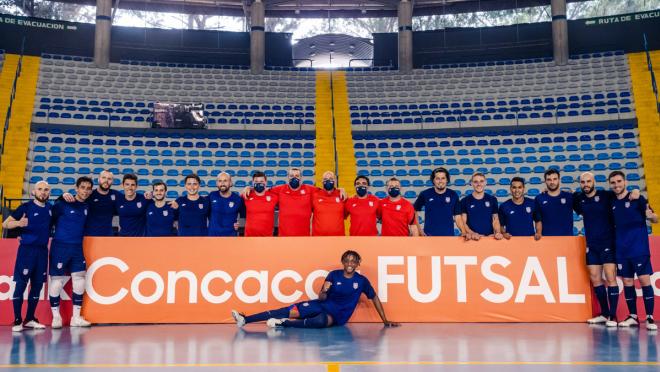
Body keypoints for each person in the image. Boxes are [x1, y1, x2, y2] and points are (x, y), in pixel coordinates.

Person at [231, 250, 399, 328]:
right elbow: (322, 297)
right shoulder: (333, 275)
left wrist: (385, 319)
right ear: (343, 262)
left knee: (321, 322)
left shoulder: (361, 281)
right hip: (322, 305)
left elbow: (374, 297)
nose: (350, 263)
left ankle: (284, 324)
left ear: (357, 263)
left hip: (337, 315)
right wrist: (325, 290)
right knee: (287, 310)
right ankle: (245, 320)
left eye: (353, 261)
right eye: (347, 260)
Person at [608, 171, 658, 330]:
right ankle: (633, 316)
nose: (617, 185)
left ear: (625, 182)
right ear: (610, 184)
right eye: (613, 183)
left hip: (639, 248)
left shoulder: (637, 198)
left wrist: (650, 216)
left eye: (619, 181)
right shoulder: (612, 202)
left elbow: (655, 218)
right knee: (628, 282)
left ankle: (650, 318)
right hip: (621, 249)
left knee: (644, 281)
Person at [3, 181, 52, 332]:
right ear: (33, 192)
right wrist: (18, 223)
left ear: (49, 193)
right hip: (27, 251)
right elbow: (5, 224)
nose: (43, 192)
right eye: (40, 189)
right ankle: (17, 319)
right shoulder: (25, 208)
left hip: (42, 251)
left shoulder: (50, 209)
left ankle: (30, 318)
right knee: (21, 285)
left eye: (46, 190)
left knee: (37, 286)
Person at [49, 176, 93, 328]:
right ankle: (56, 318)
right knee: (56, 281)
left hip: (77, 248)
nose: (85, 191)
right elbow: (49, 218)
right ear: (76, 188)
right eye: (83, 188)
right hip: (60, 246)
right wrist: (60, 196)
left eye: (88, 189)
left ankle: (76, 318)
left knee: (80, 280)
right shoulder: (63, 204)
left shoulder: (87, 207)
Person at [63, 170, 118, 236]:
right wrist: (63, 195)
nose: (106, 180)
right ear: (98, 179)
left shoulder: (117, 195)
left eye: (109, 179)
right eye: (103, 177)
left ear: (112, 181)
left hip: (107, 235)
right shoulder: (89, 194)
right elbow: (76, 199)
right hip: (89, 236)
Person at [413, 167, 463, 236]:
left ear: (447, 180)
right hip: (429, 237)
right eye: (437, 178)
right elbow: (414, 211)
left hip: (448, 237)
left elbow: (458, 217)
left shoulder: (453, 195)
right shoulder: (425, 194)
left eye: (443, 178)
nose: (440, 181)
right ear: (433, 180)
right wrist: (419, 229)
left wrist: (463, 231)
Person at [268, 168, 315, 236]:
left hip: (304, 237)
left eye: (297, 176)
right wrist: (249, 188)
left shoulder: (310, 190)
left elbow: (325, 191)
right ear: (288, 177)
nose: (294, 178)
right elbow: (263, 192)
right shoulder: (280, 189)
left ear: (301, 177)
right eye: (291, 176)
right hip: (284, 237)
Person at [460, 173, 503, 240]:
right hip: (472, 239)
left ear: (485, 182)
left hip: (489, 239)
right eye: (475, 182)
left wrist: (497, 232)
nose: (479, 184)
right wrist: (472, 233)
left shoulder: (492, 199)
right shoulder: (464, 201)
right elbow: (463, 222)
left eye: (481, 181)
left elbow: (495, 219)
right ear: (471, 183)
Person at [534, 169, 574, 238]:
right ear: (545, 181)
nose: (552, 182)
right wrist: (538, 233)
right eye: (549, 179)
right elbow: (538, 220)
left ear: (559, 180)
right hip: (547, 240)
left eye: (555, 179)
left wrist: (576, 194)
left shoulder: (569, 196)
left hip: (567, 240)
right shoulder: (539, 198)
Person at [242, 171, 279, 236]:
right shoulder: (246, 195)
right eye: (256, 182)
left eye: (261, 181)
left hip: (267, 237)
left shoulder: (274, 197)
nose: (259, 183)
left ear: (266, 182)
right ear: (253, 183)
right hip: (249, 237)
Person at [208, 172, 243, 237]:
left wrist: (240, 226)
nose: (222, 183)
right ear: (217, 183)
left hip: (230, 237)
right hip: (213, 237)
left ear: (230, 183)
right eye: (220, 181)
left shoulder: (237, 199)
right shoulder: (211, 196)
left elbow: (244, 216)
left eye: (225, 181)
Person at [312, 171, 346, 236]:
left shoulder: (342, 195)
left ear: (335, 181)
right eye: (325, 179)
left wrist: (342, 190)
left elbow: (345, 214)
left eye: (331, 179)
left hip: (338, 239)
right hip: (318, 239)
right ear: (322, 181)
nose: (328, 181)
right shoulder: (315, 195)